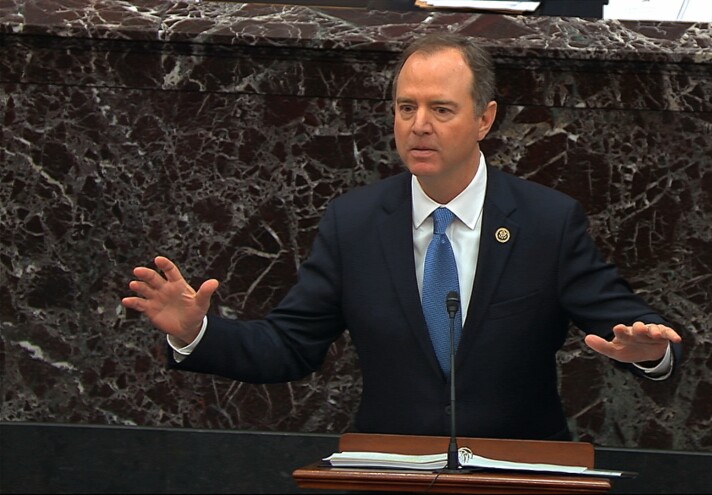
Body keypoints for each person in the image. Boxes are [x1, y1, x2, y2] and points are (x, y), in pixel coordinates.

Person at [122, 32, 682, 441]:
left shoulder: (546, 221)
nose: (419, 125)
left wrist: (650, 352)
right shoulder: (356, 223)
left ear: (484, 119)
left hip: (518, 474)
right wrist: (197, 332)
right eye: (406, 107)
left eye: (441, 109)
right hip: (389, 469)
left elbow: (625, 325)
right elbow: (290, 346)